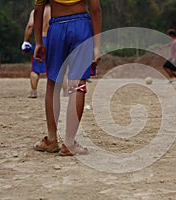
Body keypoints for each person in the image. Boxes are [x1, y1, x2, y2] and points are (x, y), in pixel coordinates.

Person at [33, 0, 101, 156]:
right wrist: (97, 46)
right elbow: (96, 9)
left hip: (56, 27)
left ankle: (51, 139)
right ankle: (69, 143)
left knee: (53, 84)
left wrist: (38, 42)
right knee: (78, 84)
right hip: (82, 25)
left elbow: (38, 10)